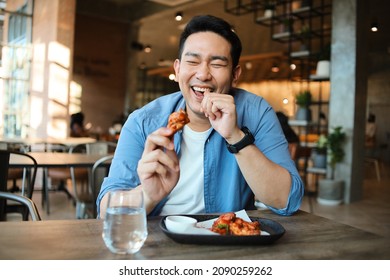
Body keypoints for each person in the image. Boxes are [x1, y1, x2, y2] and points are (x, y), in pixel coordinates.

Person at [97, 15, 304, 218]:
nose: (203, 74)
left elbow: (287, 201)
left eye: (217, 64)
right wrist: (148, 195)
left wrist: (236, 136)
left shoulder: (256, 112)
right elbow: (106, 209)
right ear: (177, 70)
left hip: (227, 243)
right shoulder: (143, 121)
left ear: (234, 75)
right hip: (156, 244)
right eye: (193, 61)